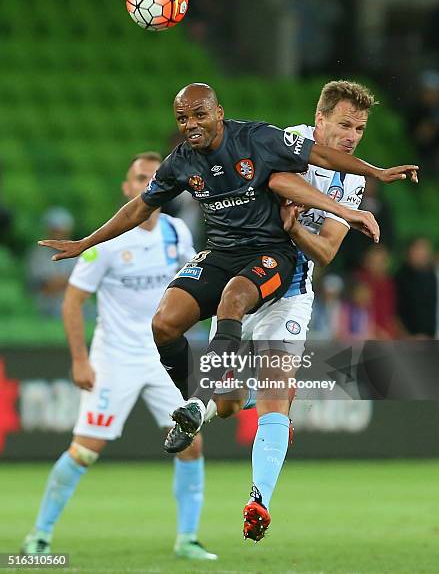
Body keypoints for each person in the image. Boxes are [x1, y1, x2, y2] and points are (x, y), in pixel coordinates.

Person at [38, 83, 417, 459]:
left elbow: (323, 157)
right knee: (164, 324)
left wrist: (375, 174)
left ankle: (196, 404)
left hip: (271, 254)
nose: (192, 124)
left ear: (218, 113)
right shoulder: (181, 161)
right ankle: (208, 398)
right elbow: (139, 207)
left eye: (200, 114)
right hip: (221, 254)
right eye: (183, 118)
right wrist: (87, 242)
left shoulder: (257, 138)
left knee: (232, 299)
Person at [176, 80, 410, 541]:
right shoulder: (290, 142)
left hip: (292, 291)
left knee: (274, 393)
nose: (352, 136)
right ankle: (221, 400)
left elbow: (325, 252)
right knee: (227, 408)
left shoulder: (353, 178)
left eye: (359, 128)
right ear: (319, 119)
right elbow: (275, 181)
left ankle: (257, 499)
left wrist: (295, 229)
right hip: (244, 278)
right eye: (344, 124)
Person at [22, 152, 217, 561]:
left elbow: (193, 285)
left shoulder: (178, 232)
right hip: (116, 357)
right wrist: (80, 359)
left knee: (191, 445)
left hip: (163, 357)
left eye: (155, 177)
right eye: (140, 177)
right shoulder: (107, 240)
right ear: (128, 188)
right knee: (86, 449)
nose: (148, 183)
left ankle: (188, 539)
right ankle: (38, 535)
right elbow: (73, 301)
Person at [27, 207, 77, 317]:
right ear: (48, 230)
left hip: (74, 302)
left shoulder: (76, 252)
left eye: (62, 231)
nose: (59, 234)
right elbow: (43, 285)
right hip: (46, 304)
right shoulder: (38, 254)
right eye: (56, 230)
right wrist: (68, 281)